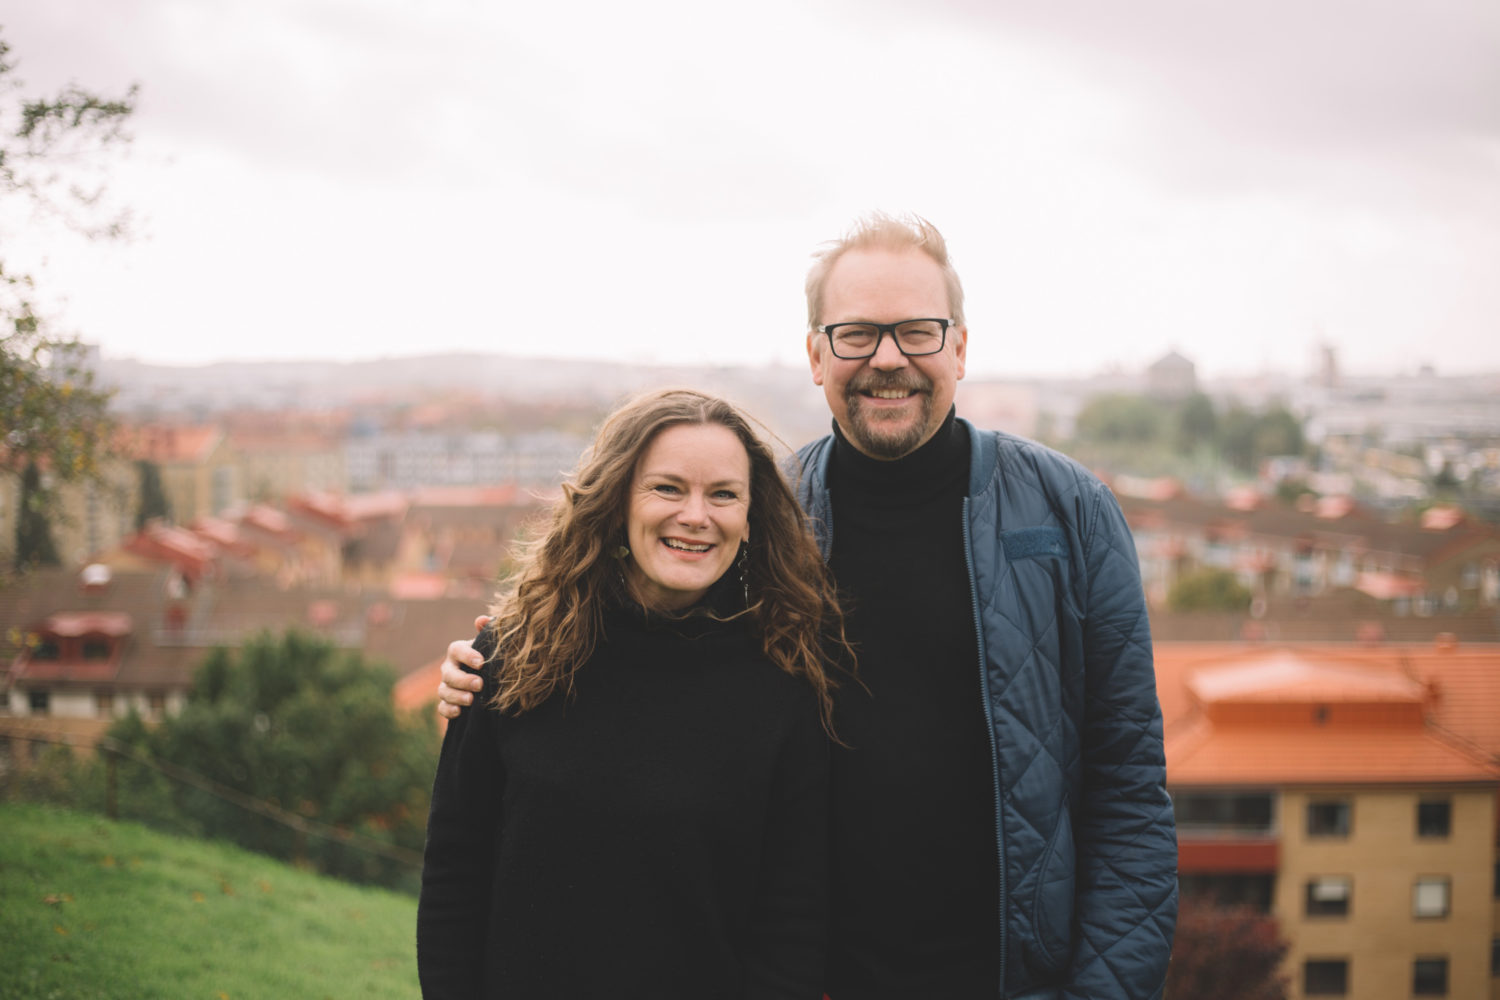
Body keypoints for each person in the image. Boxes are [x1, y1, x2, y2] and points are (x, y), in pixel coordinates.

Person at [436, 214, 1178, 999]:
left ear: (959, 346)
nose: (888, 359)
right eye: (856, 334)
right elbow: (640, 664)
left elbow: (1127, 788)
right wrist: (489, 677)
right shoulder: (761, 518)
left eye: (917, 332)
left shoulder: (1069, 514)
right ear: (816, 354)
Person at [417, 388, 848, 1000]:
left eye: (723, 494)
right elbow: (455, 876)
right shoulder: (513, 659)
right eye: (668, 488)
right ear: (618, 501)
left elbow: (792, 926)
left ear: (751, 518)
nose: (696, 515)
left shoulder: (783, 687)